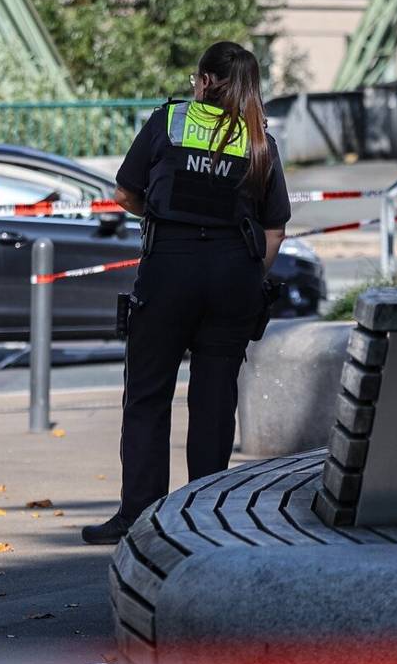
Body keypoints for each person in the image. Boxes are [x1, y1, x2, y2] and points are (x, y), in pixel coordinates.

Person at [81, 41, 290, 545]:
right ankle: (205, 517)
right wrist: (246, 274)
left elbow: (125, 193)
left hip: (169, 270)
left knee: (148, 394)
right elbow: (275, 229)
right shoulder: (258, 139)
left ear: (204, 81)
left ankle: (138, 515)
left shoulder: (170, 121)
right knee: (215, 401)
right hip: (232, 276)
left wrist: (162, 214)